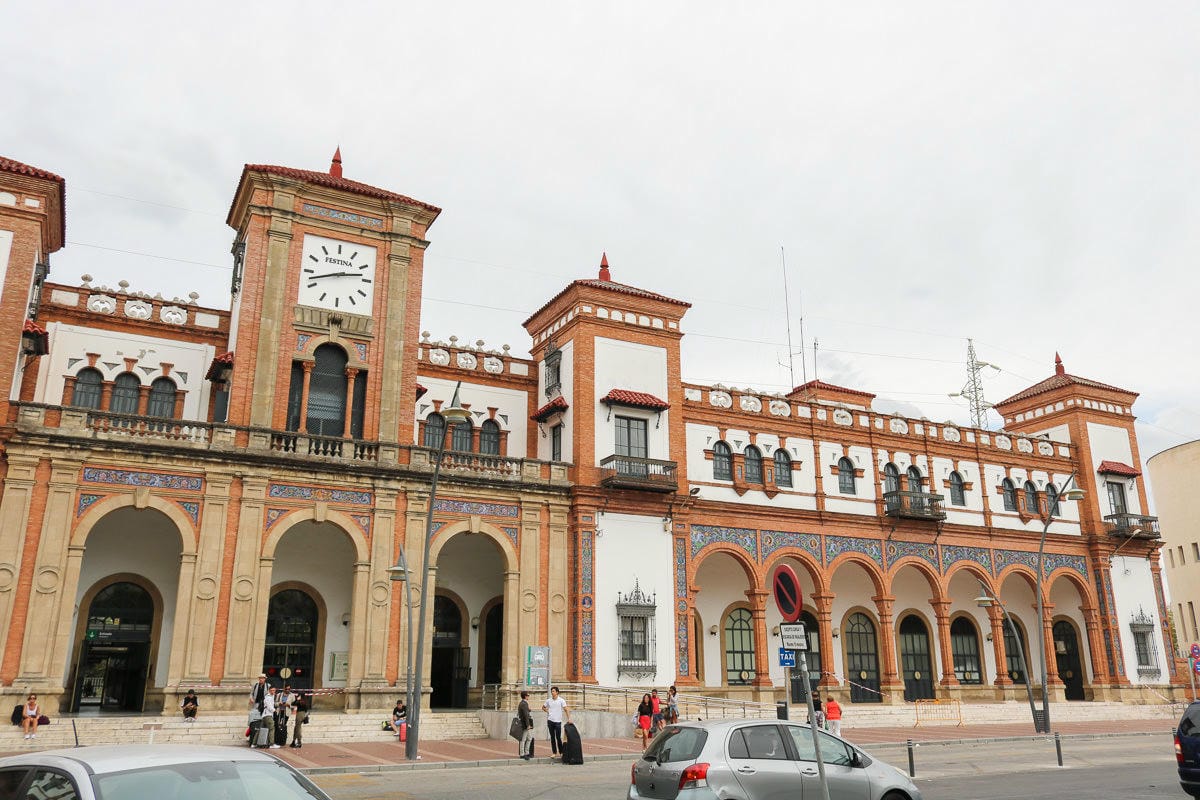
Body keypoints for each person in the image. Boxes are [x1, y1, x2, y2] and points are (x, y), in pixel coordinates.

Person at [542, 685, 567, 759]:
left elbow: (566, 709)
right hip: (550, 721)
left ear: (557, 692)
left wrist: (569, 718)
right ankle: (554, 752)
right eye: (551, 691)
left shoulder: (561, 700)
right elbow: (543, 707)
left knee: (558, 737)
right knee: (552, 737)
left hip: (558, 722)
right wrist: (547, 711)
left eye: (553, 691)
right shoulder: (548, 700)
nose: (552, 692)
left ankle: (561, 752)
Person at [517, 690, 534, 760]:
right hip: (524, 724)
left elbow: (525, 712)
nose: (528, 696)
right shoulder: (524, 704)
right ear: (525, 696)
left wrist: (529, 709)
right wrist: (528, 725)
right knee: (523, 739)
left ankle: (527, 752)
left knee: (529, 738)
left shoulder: (524, 703)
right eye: (528, 695)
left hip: (525, 723)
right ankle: (522, 754)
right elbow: (526, 715)